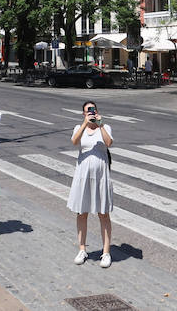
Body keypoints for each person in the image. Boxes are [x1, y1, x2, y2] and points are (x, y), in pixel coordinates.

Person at [67, 99, 114, 268]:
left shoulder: (105, 127)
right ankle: (82, 249)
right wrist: (84, 123)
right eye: (88, 111)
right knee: (82, 212)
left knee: (103, 213)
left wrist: (100, 125)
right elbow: (74, 142)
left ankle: (106, 252)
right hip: (83, 175)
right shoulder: (79, 128)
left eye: (93, 110)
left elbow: (109, 143)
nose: (91, 113)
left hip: (101, 175)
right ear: (83, 113)